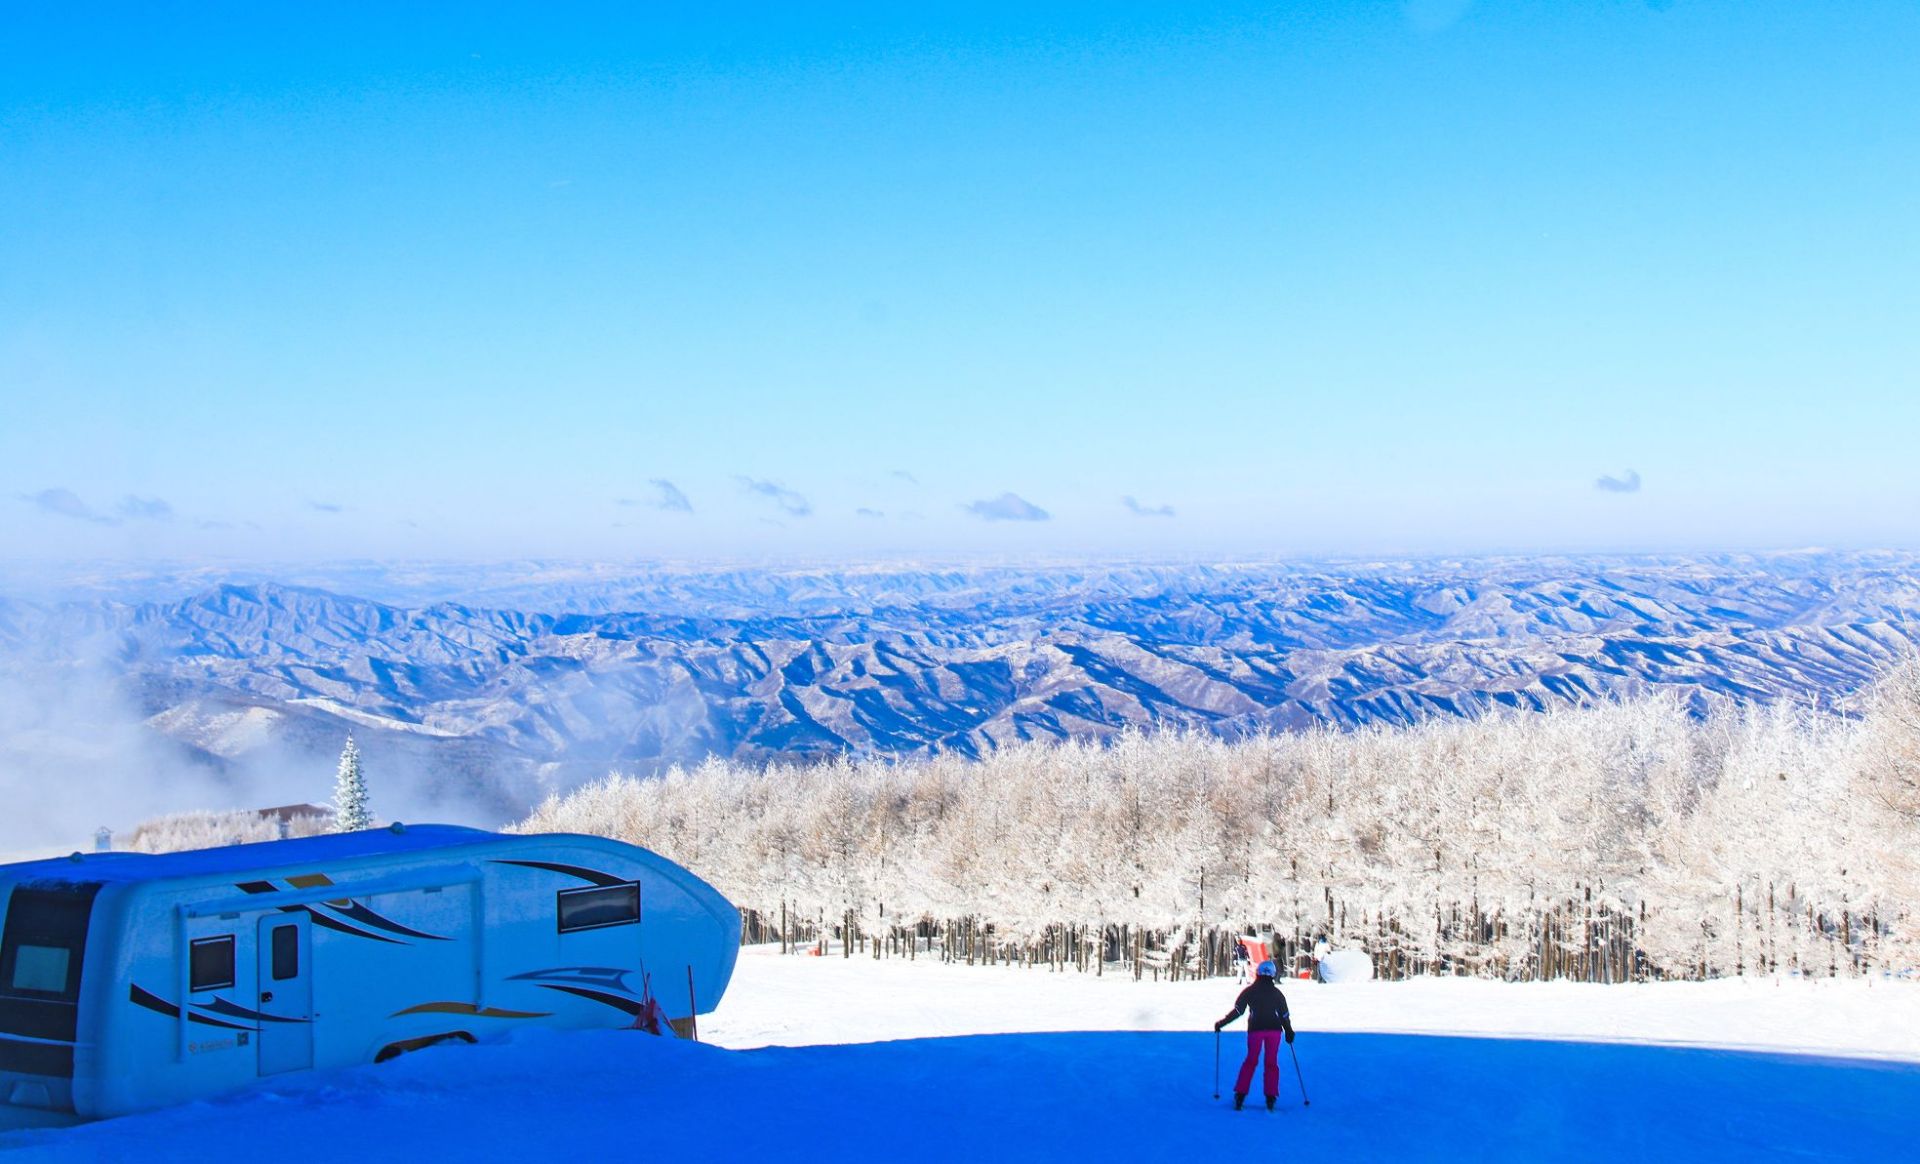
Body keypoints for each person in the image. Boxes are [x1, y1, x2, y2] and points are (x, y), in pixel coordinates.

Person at [1214, 959, 1295, 1110]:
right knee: (1271, 1063)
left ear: (1258, 973)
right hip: (1274, 1031)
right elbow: (1284, 1015)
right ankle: (1270, 1097)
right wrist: (1289, 1031)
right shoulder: (1277, 993)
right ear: (1273, 974)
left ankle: (1240, 1095)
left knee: (1251, 1061)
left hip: (1256, 1030)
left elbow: (1238, 1011)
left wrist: (1221, 1023)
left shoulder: (1250, 991)